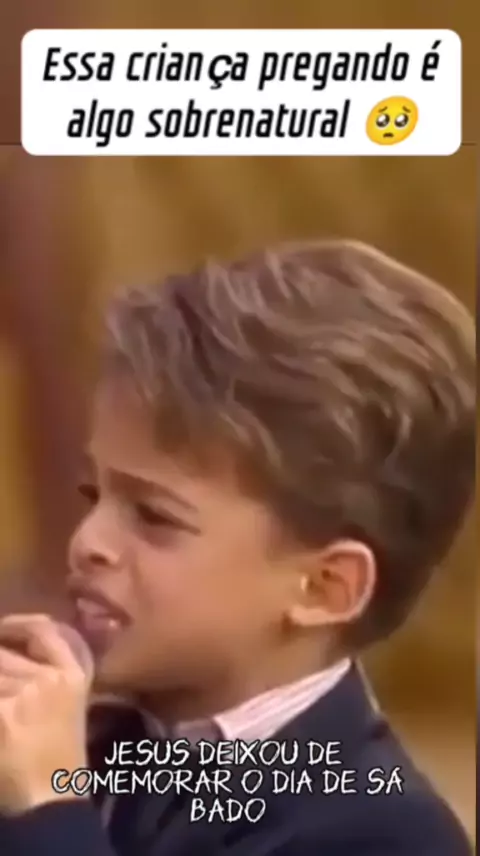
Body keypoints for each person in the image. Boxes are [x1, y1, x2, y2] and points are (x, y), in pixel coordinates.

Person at [0, 239, 475, 855]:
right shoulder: (88, 743)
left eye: (154, 517)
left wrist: (47, 807)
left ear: (324, 587)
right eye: (94, 494)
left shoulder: (381, 833)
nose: (87, 541)